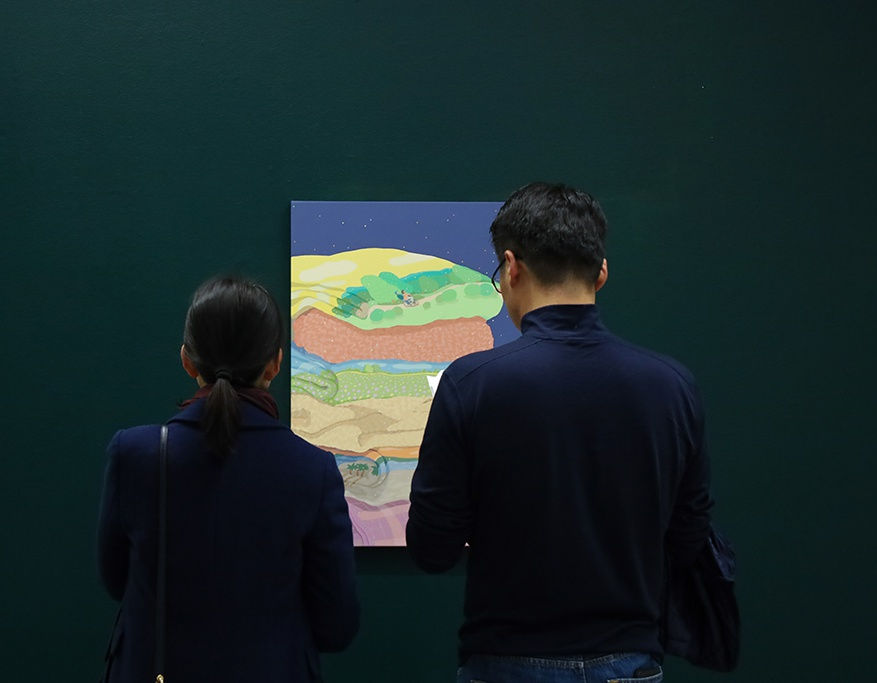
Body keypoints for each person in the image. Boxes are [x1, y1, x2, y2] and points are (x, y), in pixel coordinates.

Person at [407, 183, 713, 683]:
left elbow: (432, 548)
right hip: (631, 662)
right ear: (602, 273)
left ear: (510, 267)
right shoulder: (672, 385)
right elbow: (688, 538)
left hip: (506, 661)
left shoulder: (471, 384)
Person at [97, 276, 359, 683]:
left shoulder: (135, 455)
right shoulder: (313, 470)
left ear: (187, 359)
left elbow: (118, 582)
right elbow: (337, 624)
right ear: (275, 362)